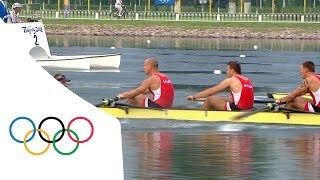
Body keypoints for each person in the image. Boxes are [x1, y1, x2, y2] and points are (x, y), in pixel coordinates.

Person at [187, 61, 254, 111]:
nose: (226, 72)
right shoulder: (247, 80)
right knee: (227, 99)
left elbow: (211, 91)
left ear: (232, 70)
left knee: (210, 99)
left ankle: (201, 116)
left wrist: (194, 96)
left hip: (239, 109)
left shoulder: (231, 80)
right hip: (249, 109)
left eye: (227, 70)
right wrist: (197, 99)